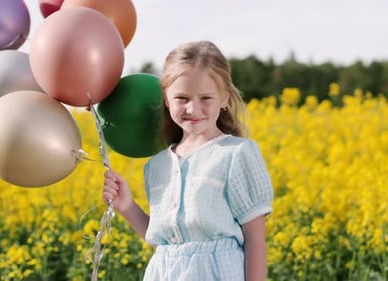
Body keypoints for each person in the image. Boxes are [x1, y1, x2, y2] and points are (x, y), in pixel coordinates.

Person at [103, 40, 273, 281]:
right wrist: (127, 206)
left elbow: (255, 238)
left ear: (224, 98)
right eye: (182, 98)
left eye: (206, 98)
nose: (193, 109)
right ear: (165, 98)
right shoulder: (157, 165)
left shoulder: (236, 153)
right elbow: (166, 241)